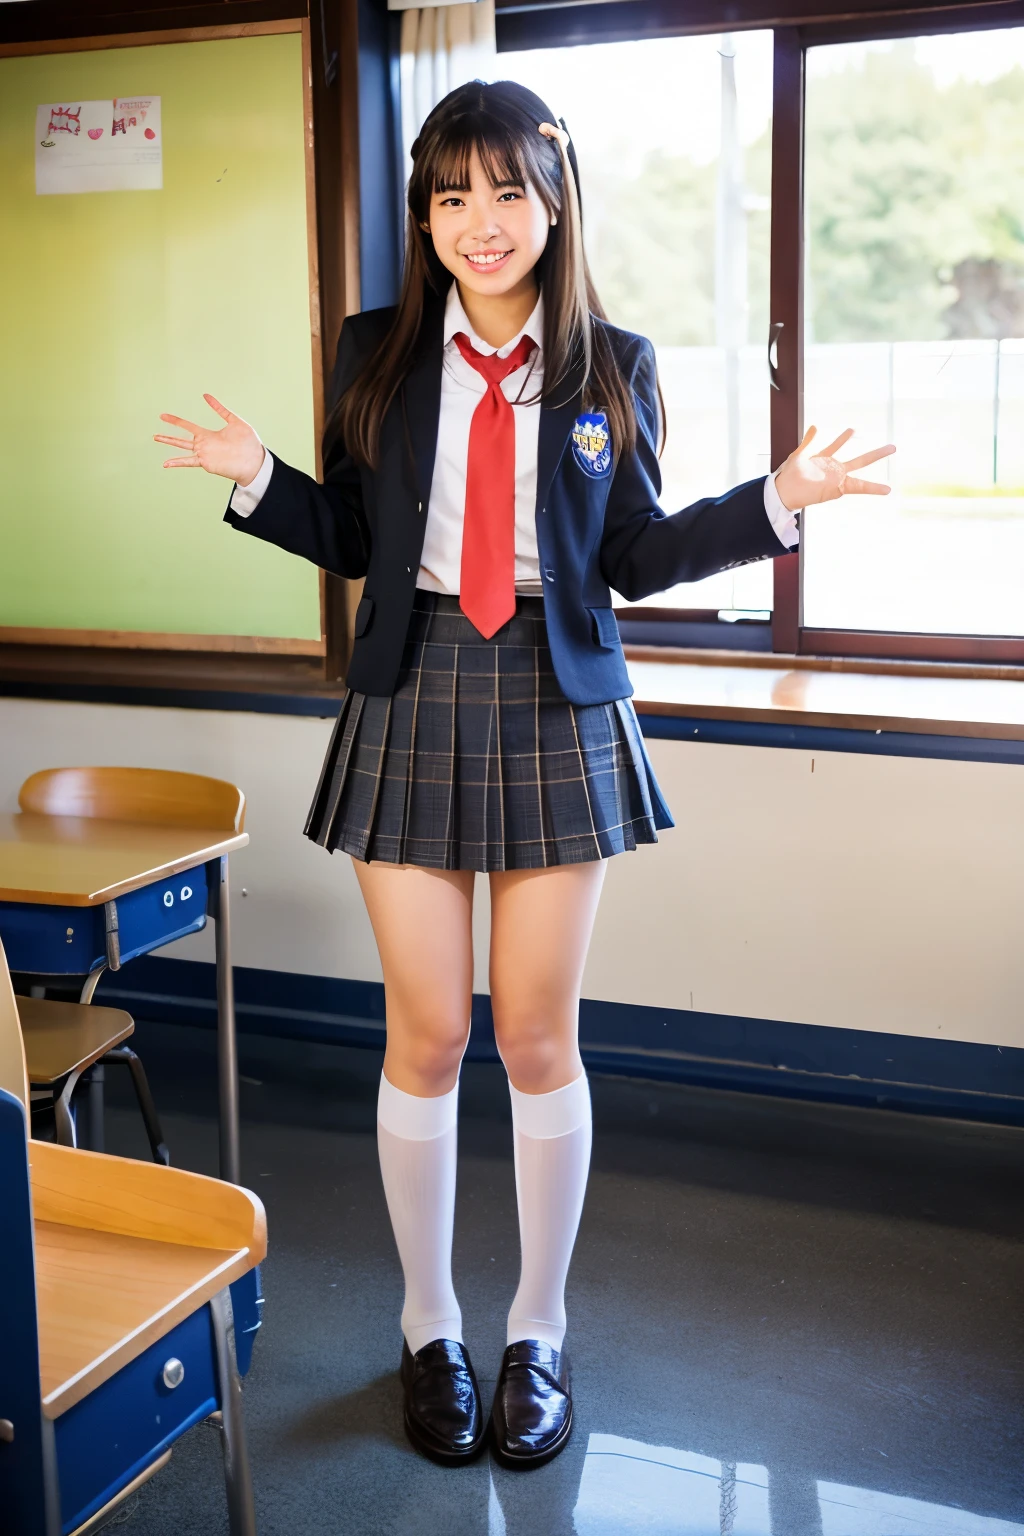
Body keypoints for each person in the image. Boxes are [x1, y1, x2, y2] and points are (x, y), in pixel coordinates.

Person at [154, 79, 895, 1470]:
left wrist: (777, 503)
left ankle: (536, 1329)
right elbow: (359, 533)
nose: (478, 224)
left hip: (556, 696)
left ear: (554, 204)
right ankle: (429, 1323)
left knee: (537, 1040)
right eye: (450, 196)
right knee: (427, 1035)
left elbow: (635, 559)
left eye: (506, 193)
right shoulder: (376, 350)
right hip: (415, 688)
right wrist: (258, 479)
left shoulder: (612, 363)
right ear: (427, 211)